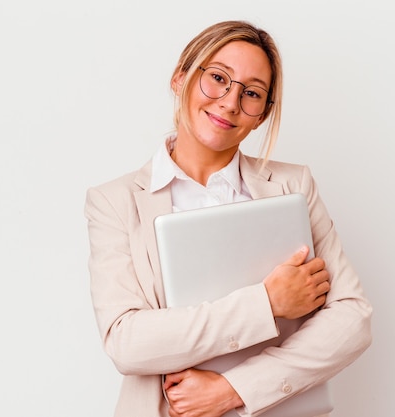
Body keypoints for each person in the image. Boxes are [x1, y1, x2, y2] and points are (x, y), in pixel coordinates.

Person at [85, 20, 373, 417]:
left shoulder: (293, 186)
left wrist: (234, 389)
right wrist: (266, 303)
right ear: (179, 79)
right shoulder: (114, 202)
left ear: (262, 115)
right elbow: (127, 342)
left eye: (251, 93)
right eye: (218, 78)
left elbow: (352, 319)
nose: (230, 103)